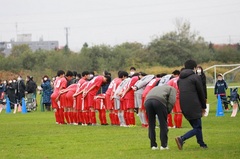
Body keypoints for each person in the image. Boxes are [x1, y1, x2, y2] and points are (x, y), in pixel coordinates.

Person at [175, 60, 208, 150]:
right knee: (197, 127)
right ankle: (181, 138)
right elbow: (201, 92)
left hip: (183, 104)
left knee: (196, 126)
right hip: (194, 104)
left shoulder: (180, 79)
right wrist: (203, 106)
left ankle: (201, 144)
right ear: (194, 67)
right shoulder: (195, 77)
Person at [144, 84, 177, 150]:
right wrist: (168, 111)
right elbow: (172, 101)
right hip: (159, 101)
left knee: (151, 124)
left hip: (147, 101)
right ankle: (163, 145)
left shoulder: (157, 87)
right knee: (163, 124)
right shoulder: (172, 89)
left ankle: (153, 145)